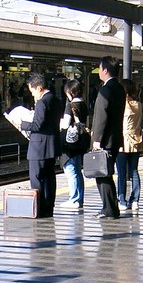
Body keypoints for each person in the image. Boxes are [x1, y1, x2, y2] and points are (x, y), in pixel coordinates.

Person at [21, 73, 62, 218]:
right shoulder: (56, 100)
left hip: (39, 148)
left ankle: (38, 207)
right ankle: (48, 207)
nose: (32, 95)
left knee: (36, 178)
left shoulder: (42, 102)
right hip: (51, 146)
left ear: (39, 88)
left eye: (32, 91)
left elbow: (38, 124)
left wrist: (22, 123)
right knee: (50, 178)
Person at [91, 56, 124, 219]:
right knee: (106, 173)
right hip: (115, 138)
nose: (98, 71)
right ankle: (110, 207)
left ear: (105, 70)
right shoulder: (119, 88)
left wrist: (97, 140)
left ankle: (109, 209)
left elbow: (101, 117)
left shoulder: (106, 90)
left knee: (102, 174)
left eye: (99, 68)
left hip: (105, 141)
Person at [59, 79, 89, 210]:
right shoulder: (84, 105)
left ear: (71, 92)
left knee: (70, 170)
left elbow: (65, 124)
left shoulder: (70, 106)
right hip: (81, 142)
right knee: (77, 170)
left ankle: (73, 199)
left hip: (70, 143)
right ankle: (79, 198)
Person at [117, 78, 143, 213]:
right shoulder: (138, 104)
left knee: (121, 172)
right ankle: (135, 200)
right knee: (134, 171)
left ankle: (121, 200)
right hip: (136, 139)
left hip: (122, 141)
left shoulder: (122, 105)